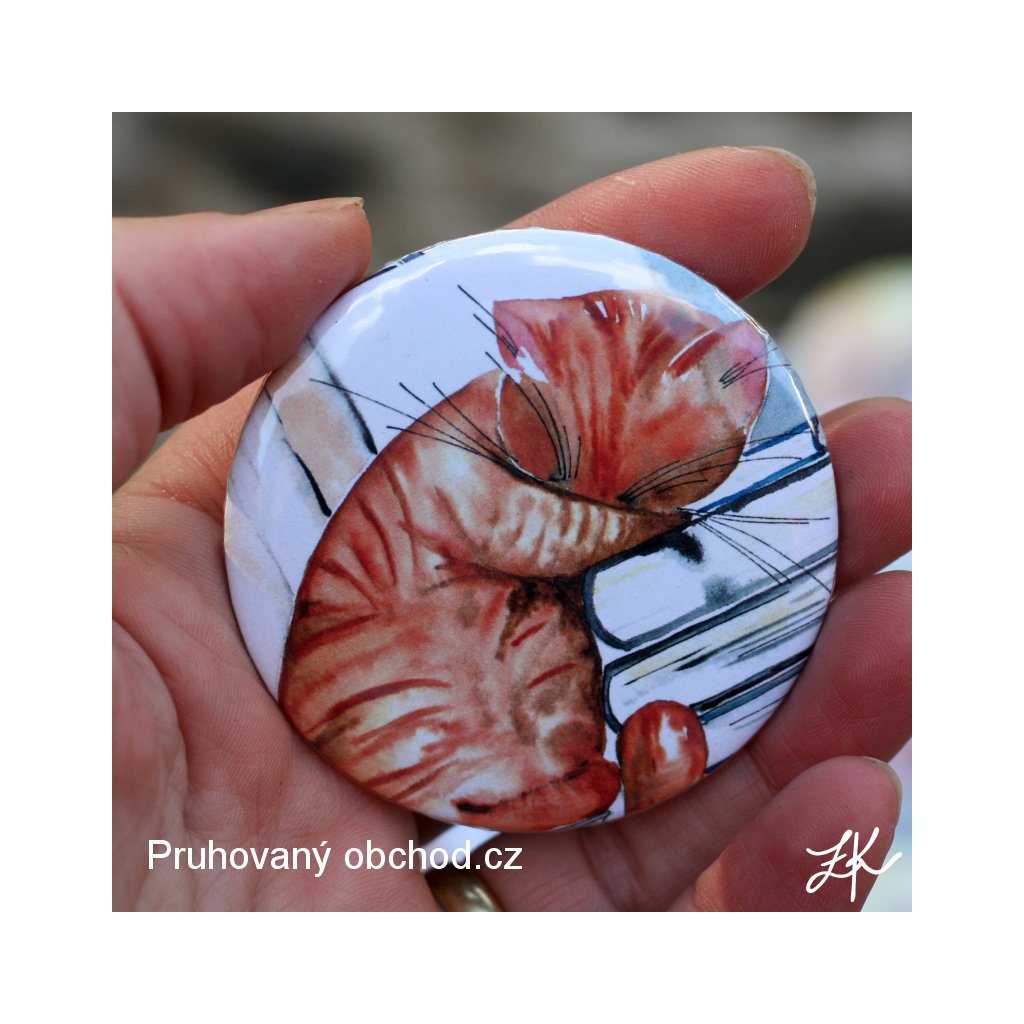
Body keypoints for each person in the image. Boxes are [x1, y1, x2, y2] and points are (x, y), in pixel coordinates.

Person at [112, 145, 911, 911]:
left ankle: (578, 773)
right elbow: (526, 534)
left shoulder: (550, 410)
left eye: (674, 476)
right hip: (395, 689)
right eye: (573, 463)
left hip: (488, 691)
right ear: (527, 371)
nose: (631, 494)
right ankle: (567, 777)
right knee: (491, 715)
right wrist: (646, 522)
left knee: (552, 707)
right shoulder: (455, 458)